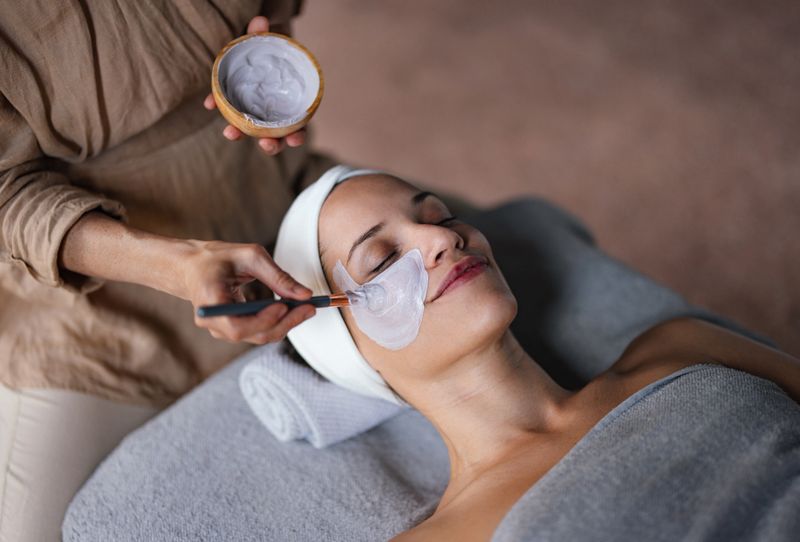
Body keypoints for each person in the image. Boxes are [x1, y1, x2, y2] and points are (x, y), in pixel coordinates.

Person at [273, 167, 800, 541]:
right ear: (348, 348)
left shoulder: (680, 344)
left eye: (440, 216)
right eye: (383, 258)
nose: (441, 238)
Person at [0, 3, 329, 540]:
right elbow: (6, 195)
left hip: (276, 202)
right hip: (94, 310)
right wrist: (179, 264)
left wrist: (270, 46)